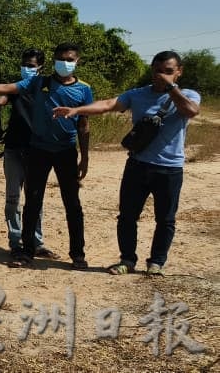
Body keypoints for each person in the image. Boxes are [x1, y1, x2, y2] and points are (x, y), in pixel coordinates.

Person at [53, 51, 200, 276]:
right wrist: (77, 110)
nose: (161, 75)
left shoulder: (188, 95)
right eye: (157, 70)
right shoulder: (137, 94)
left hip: (170, 169)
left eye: (168, 71)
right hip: (137, 165)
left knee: (166, 219)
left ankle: (156, 263)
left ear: (179, 72)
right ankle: (127, 260)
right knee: (127, 216)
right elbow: (108, 104)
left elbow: (190, 111)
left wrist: (171, 87)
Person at [0, 43, 92, 270]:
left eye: (69, 59)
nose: (64, 63)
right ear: (54, 60)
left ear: (78, 61)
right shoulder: (38, 83)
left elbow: (84, 125)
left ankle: (78, 254)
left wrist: (84, 158)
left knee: (73, 204)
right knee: (32, 202)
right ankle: (26, 251)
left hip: (66, 152)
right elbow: (6, 88)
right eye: (61, 58)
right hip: (38, 151)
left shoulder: (84, 89)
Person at [0, 49, 59, 259]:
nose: (27, 68)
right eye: (25, 64)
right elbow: (0, 101)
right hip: (14, 148)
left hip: (37, 150)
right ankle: (16, 241)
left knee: (35, 199)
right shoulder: (17, 88)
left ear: (41, 67)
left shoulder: (48, 88)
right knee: (13, 198)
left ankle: (36, 241)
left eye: (31, 65)